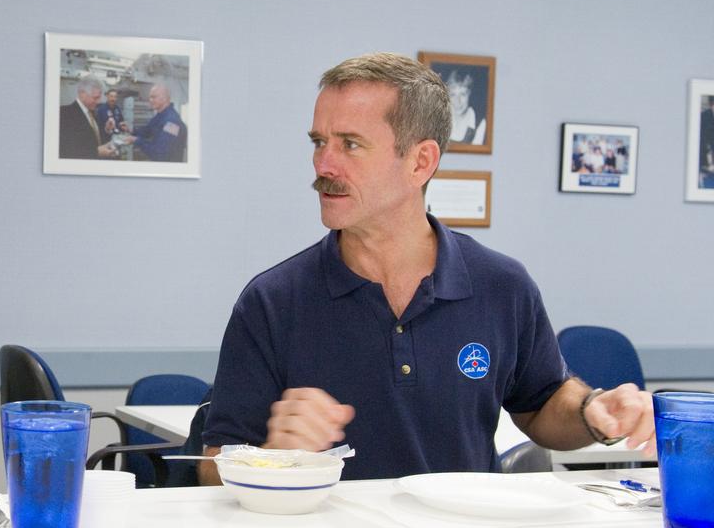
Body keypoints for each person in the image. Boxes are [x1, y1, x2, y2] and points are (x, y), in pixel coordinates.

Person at [199, 52, 654, 484]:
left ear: (421, 162)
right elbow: (211, 467)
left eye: (350, 145)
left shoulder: (502, 286)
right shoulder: (273, 301)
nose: (323, 164)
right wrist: (270, 456)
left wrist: (593, 409)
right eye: (320, 142)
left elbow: (540, 403)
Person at [122, 83, 186, 162]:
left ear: (165, 98)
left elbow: (159, 154)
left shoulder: (172, 122)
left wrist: (136, 140)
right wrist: (131, 129)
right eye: (150, 97)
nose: (150, 100)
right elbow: (147, 131)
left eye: (153, 97)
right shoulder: (160, 116)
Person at [59, 74, 116, 159]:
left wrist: (107, 130)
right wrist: (96, 152)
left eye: (99, 97)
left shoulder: (93, 113)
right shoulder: (64, 114)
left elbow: (96, 140)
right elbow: (66, 150)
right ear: (82, 94)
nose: (98, 101)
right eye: (95, 98)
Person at [445, 70, 486, 146]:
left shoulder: (480, 123)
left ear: (470, 95)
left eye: (463, 94)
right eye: (453, 95)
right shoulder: (439, 121)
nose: (458, 101)